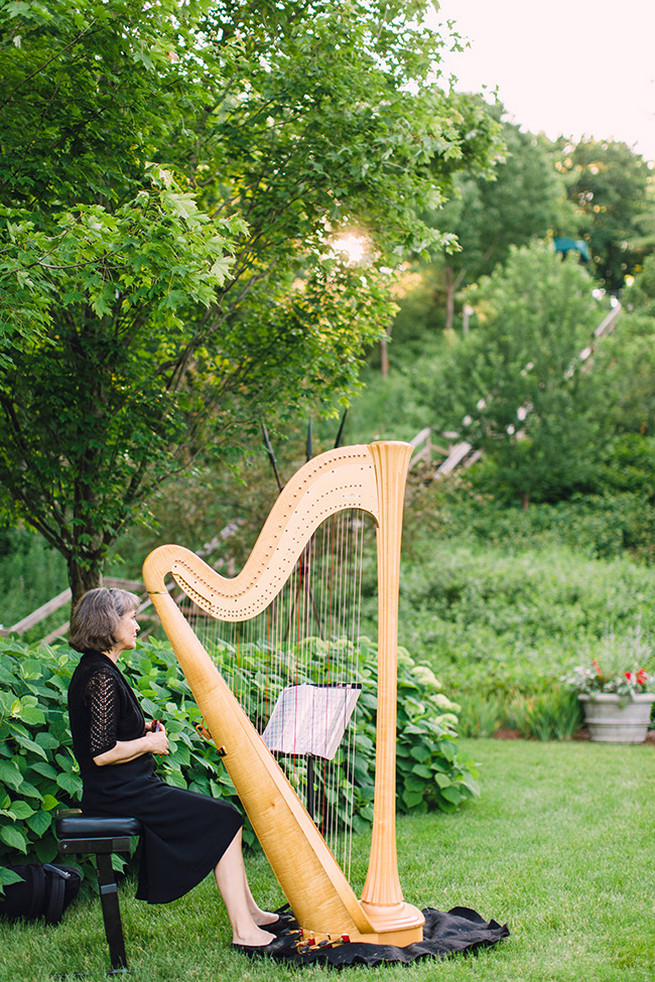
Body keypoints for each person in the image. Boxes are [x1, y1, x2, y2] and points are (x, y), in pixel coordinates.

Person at [67, 587, 296, 955]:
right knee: (224, 818)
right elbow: (101, 753)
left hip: (130, 786)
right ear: (108, 623)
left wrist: (140, 730)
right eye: (131, 617)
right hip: (119, 793)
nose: (138, 625)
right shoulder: (100, 676)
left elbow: (105, 732)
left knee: (225, 817)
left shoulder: (101, 669)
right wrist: (149, 744)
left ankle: (250, 914)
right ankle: (244, 930)